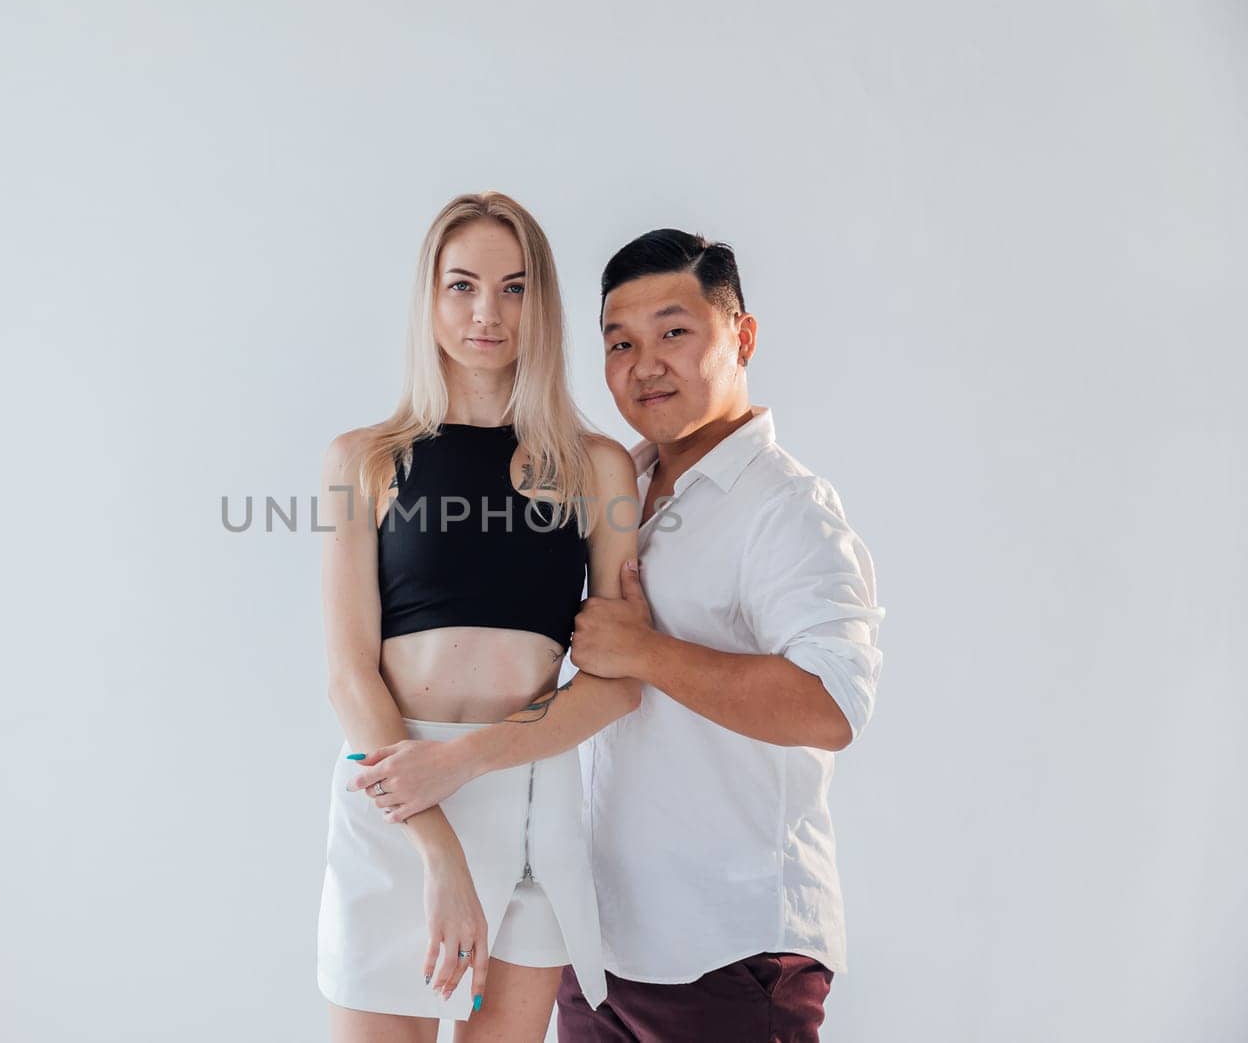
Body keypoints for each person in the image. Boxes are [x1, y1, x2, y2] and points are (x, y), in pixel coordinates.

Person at [350, 228, 885, 1042]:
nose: (645, 364)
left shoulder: (786, 508)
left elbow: (833, 705)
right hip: (598, 940)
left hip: (729, 951)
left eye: (675, 332)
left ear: (740, 336)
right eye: (620, 342)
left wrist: (645, 653)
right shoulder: (614, 482)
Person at [315, 191, 643, 1042]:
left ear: (544, 305)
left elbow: (618, 686)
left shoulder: (596, 466)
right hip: (394, 798)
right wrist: (436, 842)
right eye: (462, 286)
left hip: (530, 796)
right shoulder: (367, 459)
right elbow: (350, 674)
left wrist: (465, 760)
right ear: (429, 299)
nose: (487, 312)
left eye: (515, 288)